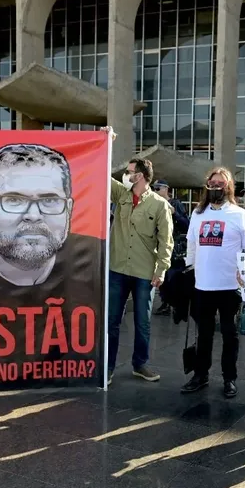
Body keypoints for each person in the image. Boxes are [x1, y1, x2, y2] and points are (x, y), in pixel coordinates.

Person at [0, 143, 107, 373]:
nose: (33, 216)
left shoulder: (92, 260)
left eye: (49, 200)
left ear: (68, 209)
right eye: (14, 200)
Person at [182, 167, 245, 398]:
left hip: (229, 287)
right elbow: (192, 243)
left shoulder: (239, 214)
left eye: (220, 183)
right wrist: (190, 268)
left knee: (229, 334)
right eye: (212, 182)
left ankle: (229, 378)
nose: (215, 186)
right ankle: (200, 375)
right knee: (203, 334)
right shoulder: (198, 213)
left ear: (229, 187)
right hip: (203, 285)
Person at [106, 157, 173, 382]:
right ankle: (108, 367)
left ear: (141, 176)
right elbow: (101, 172)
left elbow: (166, 241)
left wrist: (161, 269)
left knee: (142, 322)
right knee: (112, 320)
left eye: (129, 171)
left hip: (145, 272)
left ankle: (140, 364)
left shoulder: (159, 204)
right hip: (117, 268)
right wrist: (107, 139)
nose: (125, 174)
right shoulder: (120, 194)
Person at [152, 179, 188, 316]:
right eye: (154, 188)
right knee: (162, 277)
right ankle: (165, 303)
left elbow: (186, 224)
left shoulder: (175, 204)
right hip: (159, 244)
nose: (155, 191)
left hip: (174, 246)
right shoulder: (155, 204)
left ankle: (176, 304)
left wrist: (175, 213)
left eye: (158, 188)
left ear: (166, 189)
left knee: (173, 276)